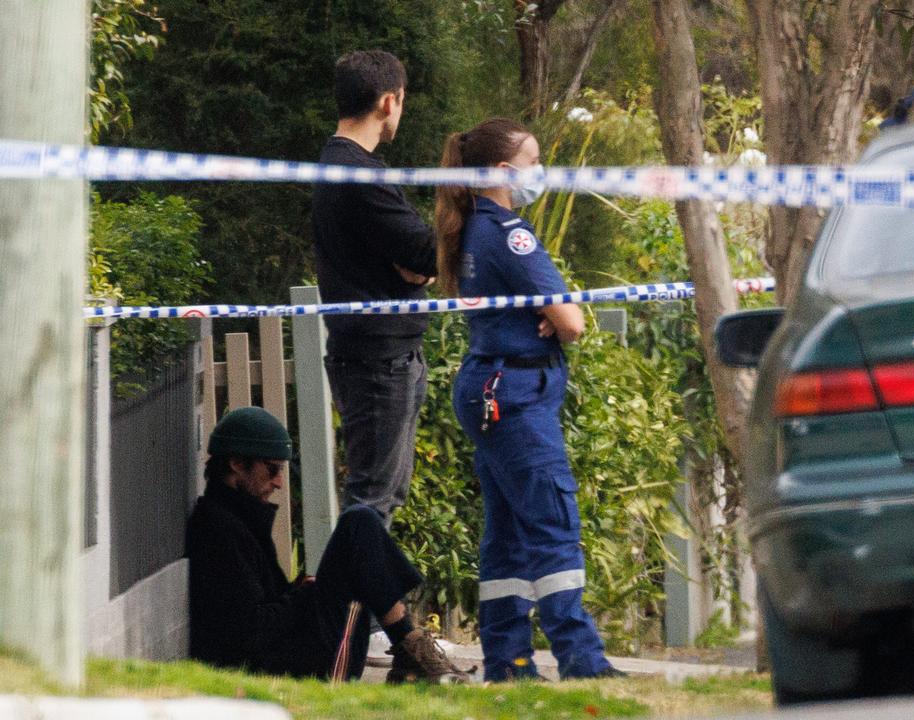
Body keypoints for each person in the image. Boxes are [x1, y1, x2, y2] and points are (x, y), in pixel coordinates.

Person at [434, 118, 623, 682]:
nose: (540, 173)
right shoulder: (510, 233)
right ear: (501, 172)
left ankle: (508, 661)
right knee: (552, 525)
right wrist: (553, 315)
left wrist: (547, 314)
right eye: (533, 161)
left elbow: (551, 314)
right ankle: (582, 661)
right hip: (515, 396)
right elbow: (573, 322)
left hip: (494, 389)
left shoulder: (473, 227)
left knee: (509, 537)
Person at [186, 406, 467, 684]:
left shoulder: (237, 516)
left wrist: (297, 590)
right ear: (236, 464)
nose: (279, 483)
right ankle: (410, 648)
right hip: (296, 668)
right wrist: (303, 595)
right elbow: (250, 632)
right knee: (358, 523)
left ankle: (410, 647)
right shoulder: (220, 530)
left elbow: (264, 604)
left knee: (360, 522)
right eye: (272, 470)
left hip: (295, 652)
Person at [312, 50, 435, 521]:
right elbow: (426, 253)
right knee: (371, 503)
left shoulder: (338, 165)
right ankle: (346, 598)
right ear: (389, 101)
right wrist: (419, 265)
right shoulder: (361, 175)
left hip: (381, 354)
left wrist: (415, 265)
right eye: (402, 102)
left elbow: (417, 259)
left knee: (382, 499)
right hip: (378, 360)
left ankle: (368, 596)